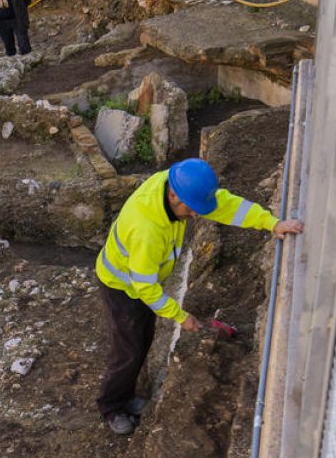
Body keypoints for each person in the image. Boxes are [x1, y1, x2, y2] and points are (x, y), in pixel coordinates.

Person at [94, 158, 304, 435]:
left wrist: (270, 223)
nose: (195, 215)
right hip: (121, 286)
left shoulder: (180, 184)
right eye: (191, 208)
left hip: (141, 281)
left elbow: (225, 205)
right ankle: (112, 407)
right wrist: (180, 316)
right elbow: (144, 288)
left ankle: (128, 394)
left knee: (142, 338)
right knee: (128, 348)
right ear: (173, 195)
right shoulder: (147, 229)